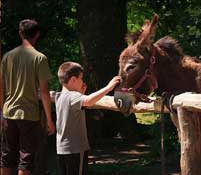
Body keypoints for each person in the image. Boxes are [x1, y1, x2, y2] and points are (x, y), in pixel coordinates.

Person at [0, 19, 55, 175]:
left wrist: (1, 112)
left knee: (6, 156)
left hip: (8, 112)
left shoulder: (7, 57)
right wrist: (49, 120)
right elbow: (44, 92)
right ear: (37, 35)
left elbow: (1, 87)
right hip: (29, 115)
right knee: (26, 158)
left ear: (20, 33)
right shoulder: (39, 58)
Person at [55, 62, 121, 175]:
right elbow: (88, 101)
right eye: (81, 78)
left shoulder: (59, 96)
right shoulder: (73, 96)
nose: (82, 81)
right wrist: (109, 87)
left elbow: (76, 107)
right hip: (76, 149)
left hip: (62, 149)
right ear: (73, 80)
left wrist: (80, 93)